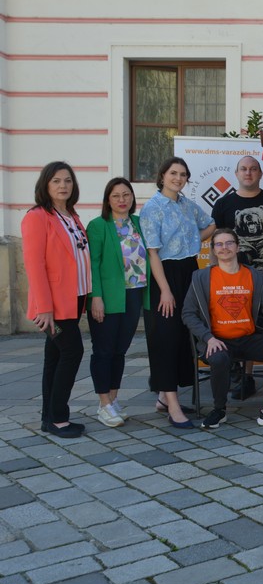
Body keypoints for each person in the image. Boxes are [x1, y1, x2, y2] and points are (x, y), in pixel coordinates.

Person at [183, 229, 263, 428]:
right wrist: (208, 337)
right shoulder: (201, 277)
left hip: (249, 337)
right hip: (218, 339)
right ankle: (219, 410)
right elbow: (188, 314)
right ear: (213, 250)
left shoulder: (254, 275)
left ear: (237, 247)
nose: (224, 248)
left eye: (229, 243)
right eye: (219, 244)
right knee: (219, 358)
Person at [139, 157, 216, 428]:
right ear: (162, 176)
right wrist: (165, 291)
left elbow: (211, 224)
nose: (178, 178)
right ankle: (173, 406)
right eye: (173, 173)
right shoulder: (152, 208)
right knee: (166, 337)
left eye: (183, 174)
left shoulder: (186, 205)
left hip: (189, 271)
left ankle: (164, 397)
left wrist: (195, 239)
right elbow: (152, 254)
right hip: (165, 275)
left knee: (184, 335)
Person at [212, 155, 263, 398]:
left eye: (253, 169)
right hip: (236, 279)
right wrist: (214, 273)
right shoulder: (223, 205)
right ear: (236, 174)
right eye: (244, 169)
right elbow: (217, 242)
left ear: (260, 174)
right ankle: (246, 379)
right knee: (245, 326)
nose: (248, 173)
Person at [22, 162, 91, 438]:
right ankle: (59, 417)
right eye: (56, 181)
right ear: (45, 185)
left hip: (74, 300)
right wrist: (45, 309)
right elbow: (34, 265)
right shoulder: (37, 217)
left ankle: (48, 417)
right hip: (53, 307)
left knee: (54, 356)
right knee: (72, 351)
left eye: (67, 181)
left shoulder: (71, 215)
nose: (63, 186)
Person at [86, 178, 149, 428]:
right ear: (107, 200)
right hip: (108, 297)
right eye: (116, 196)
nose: (122, 200)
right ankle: (103, 404)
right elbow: (93, 264)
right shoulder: (98, 226)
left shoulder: (138, 223)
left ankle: (113, 399)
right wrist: (96, 297)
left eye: (126, 194)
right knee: (103, 350)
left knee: (120, 350)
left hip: (134, 294)